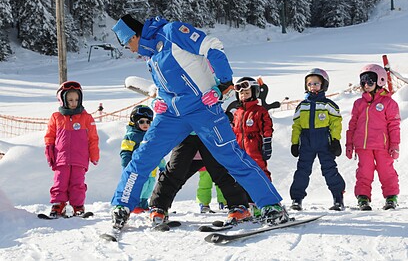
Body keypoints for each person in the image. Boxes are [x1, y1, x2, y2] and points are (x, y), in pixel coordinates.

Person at [110, 14, 287, 229]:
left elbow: (212, 46)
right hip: (172, 115)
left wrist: (223, 85)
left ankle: (271, 205)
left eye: (127, 42)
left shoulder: (173, 32)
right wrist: (161, 100)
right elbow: (171, 82)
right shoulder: (151, 55)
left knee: (231, 156)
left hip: (203, 109)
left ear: (135, 35)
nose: (128, 48)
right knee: (143, 156)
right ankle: (121, 205)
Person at [149, 133, 251, 224]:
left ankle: (238, 206)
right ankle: (159, 207)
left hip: (209, 136)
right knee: (175, 172)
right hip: (186, 136)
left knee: (221, 172)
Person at [346, 64, 400, 210]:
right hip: (363, 146)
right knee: (364, 172)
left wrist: (395, 145)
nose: (366, 85)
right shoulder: (358, 103)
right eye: (363, 81)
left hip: (383, 146)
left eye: (370, 81)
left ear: (380, 80)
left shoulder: (389, 103)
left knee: (386, 171)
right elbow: (352, 125)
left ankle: (391, 197)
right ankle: (363, 198)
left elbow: (394, 126)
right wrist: (349, 144)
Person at [289, 69, 345, 211]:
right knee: (302, 170)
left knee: (329, 169)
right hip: (306, 142)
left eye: (316, 83)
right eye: (309, 84)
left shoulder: (328, 105)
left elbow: (336, 123)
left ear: (323, 85)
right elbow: (296, 126)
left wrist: (335, 140)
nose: (312, 86)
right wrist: (295, 143)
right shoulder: (302, 106)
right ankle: (297, 199)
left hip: (324, 142)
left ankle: (338, 198)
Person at [44, 81, 99, 217]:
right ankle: (58, 205)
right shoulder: (56, 117)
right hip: (61, 158)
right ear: (62, 100)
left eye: (76, 99)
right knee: (59, 182)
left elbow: (93, 138)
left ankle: (78, 206)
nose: (74, 103)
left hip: (79, 158)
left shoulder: (86, 118)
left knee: (77, 183)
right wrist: (49, 151)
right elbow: (50, 136)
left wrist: (94, 155)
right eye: (70, 100)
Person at [231, 76, 274, 217]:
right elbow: (233, 131)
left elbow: (267, 127)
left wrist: (267, 143)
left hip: (254, 148)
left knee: (260, 173)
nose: (244, 96)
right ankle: (248, 205)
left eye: (247, 93)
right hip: (240, 150)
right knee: (241, 176)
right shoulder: (237, 113)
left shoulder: (259, 111)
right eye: (241, 93)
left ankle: (270, 202)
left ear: (254, 93)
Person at [120, 105, 166, 213]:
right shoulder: (131, 136)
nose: (145, 124)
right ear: (135, 122)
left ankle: (144, 204)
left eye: (148, 122)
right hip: (138, 170)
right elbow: (125, 152)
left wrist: (162, 166)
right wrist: (126, 166)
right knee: (140, 187)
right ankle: (135, 204)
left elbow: (157, 153)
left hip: (152, 170)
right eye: (141, 122)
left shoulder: (151, 136)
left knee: (149, 188)